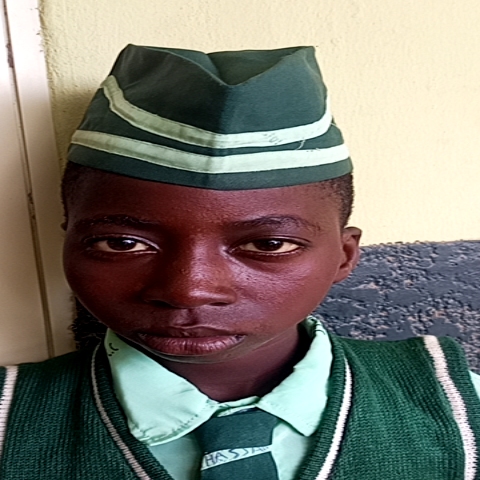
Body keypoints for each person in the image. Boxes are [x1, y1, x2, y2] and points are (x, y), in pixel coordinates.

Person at [0, 45, 479, 480]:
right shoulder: (10, 421)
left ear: (344, 256)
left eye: (268, 245)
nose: (189, 290)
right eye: (123, 244)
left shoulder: (462, 409)